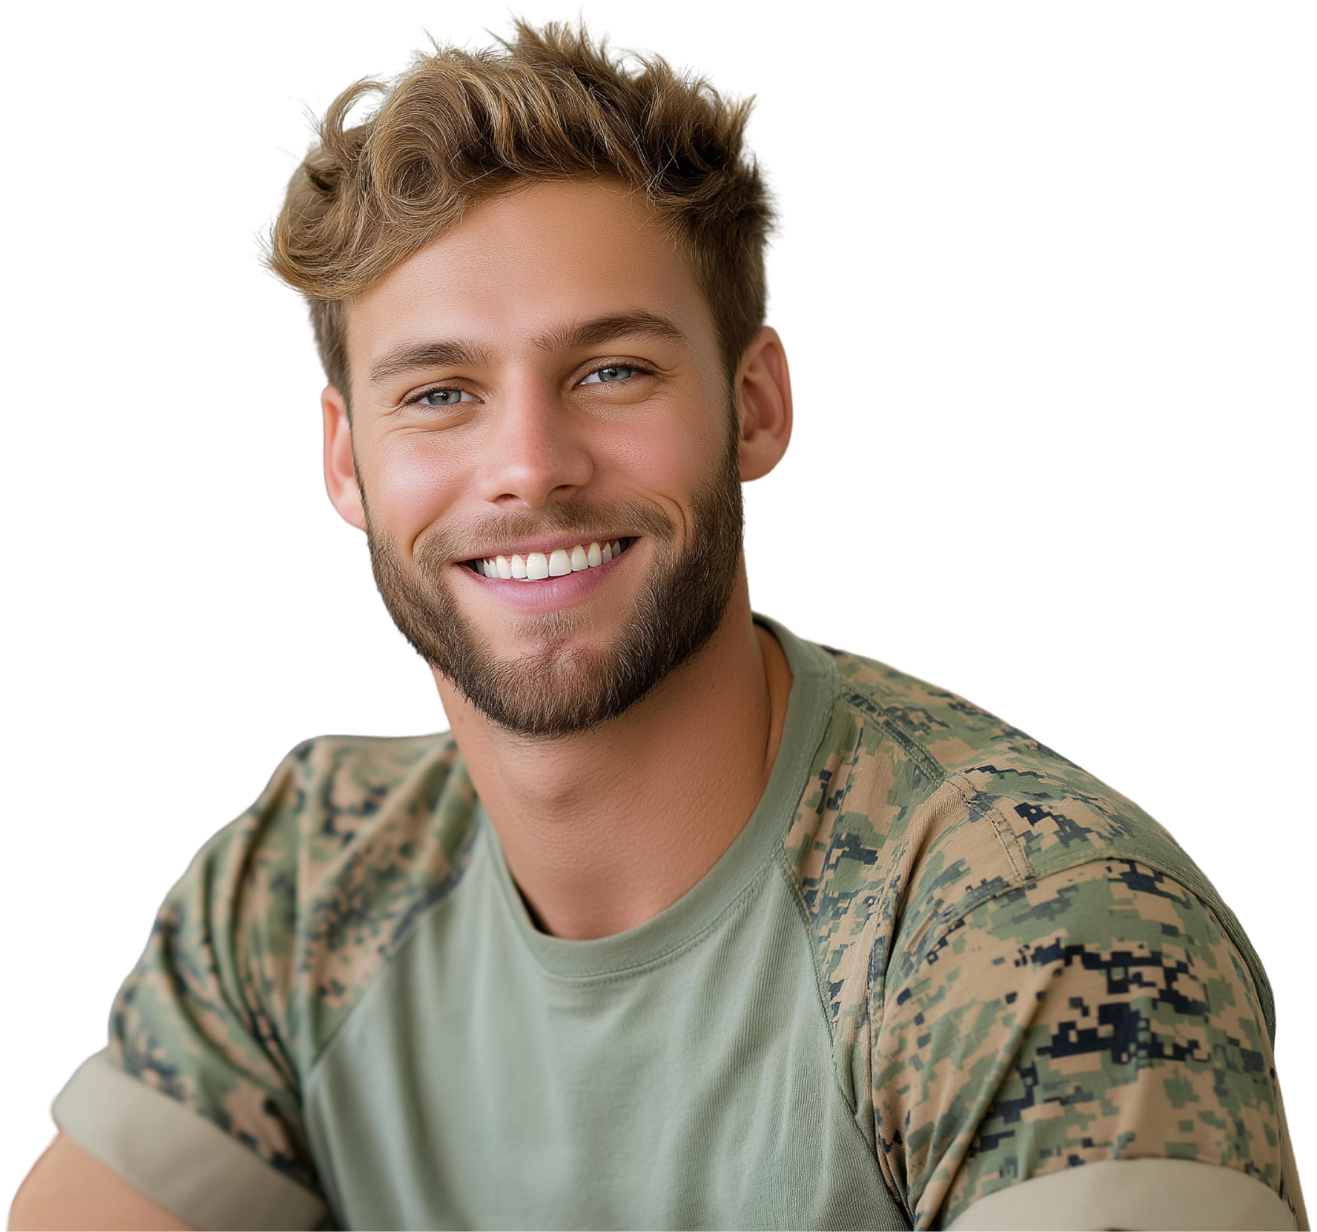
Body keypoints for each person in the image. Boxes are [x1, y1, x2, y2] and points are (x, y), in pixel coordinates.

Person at [8, 12, 1306, 1232]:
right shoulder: (311, 876)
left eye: (611, 371)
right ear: (346, 463)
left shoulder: (1037, 919)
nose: (529, 465)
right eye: (441, 392)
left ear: (756, 405)